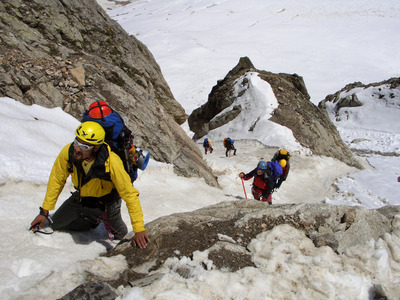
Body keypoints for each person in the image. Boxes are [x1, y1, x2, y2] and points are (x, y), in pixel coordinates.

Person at [30, 121, 149, 248]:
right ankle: (92, 219)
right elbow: (56, 180)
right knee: (56, 224)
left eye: (84, 146)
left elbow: (129, 194)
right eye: (76, 142)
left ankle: (105, 226)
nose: (77, 149)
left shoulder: (111, 162)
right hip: (83, 196)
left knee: (118, 231)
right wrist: (44, 212)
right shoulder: (69, 152)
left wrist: (139, 229)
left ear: (96, 148)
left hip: (108, 200)